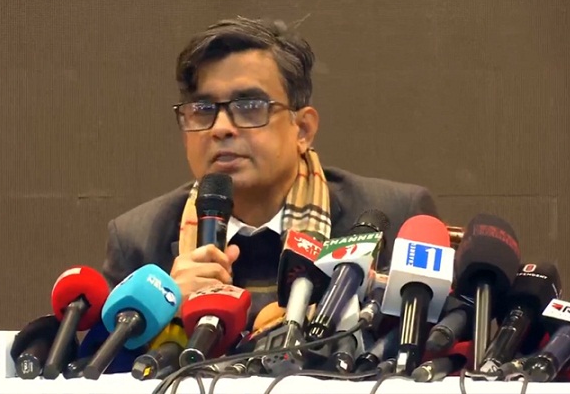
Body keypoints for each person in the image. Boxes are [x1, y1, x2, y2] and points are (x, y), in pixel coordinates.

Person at [102, 17, 438, 330]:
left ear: (303, 129)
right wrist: (166, 311)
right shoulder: (141, 243)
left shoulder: (393, 216)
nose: (220, 128)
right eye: (203, 110)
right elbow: (98, 364)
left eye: (249, 107)